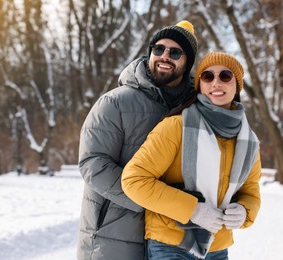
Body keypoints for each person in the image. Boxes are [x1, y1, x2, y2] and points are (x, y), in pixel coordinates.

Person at [122, 52, 262, 260]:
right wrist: (193, 210)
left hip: (217, 247)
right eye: (207, 76)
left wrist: (244, 211)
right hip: (171, 244)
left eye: (225, 76)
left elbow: (250, 191)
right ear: (200, 85)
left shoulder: (248, 140)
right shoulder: (176, 127)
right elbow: (133, 180)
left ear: (237, 85)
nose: (216, 82)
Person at [77, 20, 198, 260]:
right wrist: (155, 200)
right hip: (113, 235)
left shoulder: (194, 110)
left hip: (171, 239)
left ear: (187, 62)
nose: (165, 56)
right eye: (158, 49)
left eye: (175, 52)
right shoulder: (115, 102)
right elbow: (93, 165)